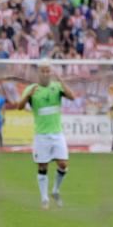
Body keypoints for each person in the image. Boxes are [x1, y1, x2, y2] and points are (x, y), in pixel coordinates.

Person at [17, 61, 76, 210]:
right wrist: (27, 96)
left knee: (63, 164)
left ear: (50, 72)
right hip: (41, 135)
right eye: (42, 71)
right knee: (43, 166)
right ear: (38, 73)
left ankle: (55, 190)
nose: (45, 73)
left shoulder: (57, 87)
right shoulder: (31, 89)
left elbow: (72, 97)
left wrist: (62, 81)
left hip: (57, 133)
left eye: (47, 71)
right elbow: (19, 107)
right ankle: (44, 198)